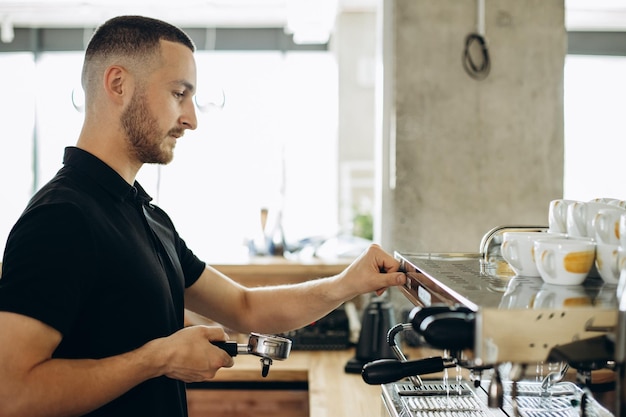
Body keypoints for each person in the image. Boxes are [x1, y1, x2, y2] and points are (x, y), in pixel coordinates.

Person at [0, 15, 406, 417]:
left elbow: (245, 307)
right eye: (179, 93)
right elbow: (13, 394)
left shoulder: (147, 216)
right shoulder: (60, 219)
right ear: (118, 84)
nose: (191, 118)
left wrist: (347, 283)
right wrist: (155, 359)